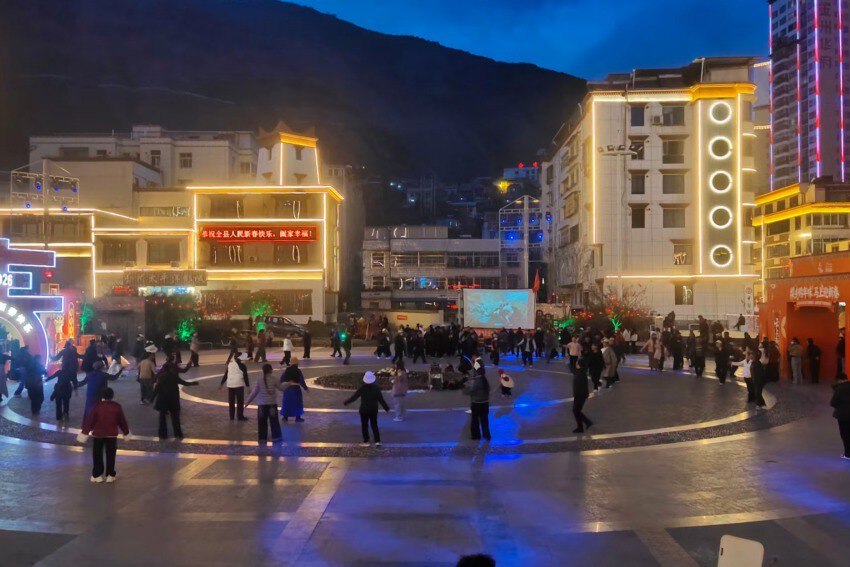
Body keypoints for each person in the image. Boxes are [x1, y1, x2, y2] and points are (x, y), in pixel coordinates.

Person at [80, 387, 129, 483]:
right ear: (112, 396)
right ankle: (110, 475)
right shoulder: (117, 407)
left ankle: (97, 475)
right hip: (112, 435)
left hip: (98, 434)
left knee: (97, 454)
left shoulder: (96, 406)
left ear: (102, 396)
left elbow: (90, 421)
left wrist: (84, 432)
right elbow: (122, 421)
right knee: (111, 455)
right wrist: (126, 433)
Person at [151, 356, 199, 439]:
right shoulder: (174, 376)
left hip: (163, 399)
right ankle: (178, 434)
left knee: (162, 418)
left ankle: (162, 435)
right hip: (173, 399)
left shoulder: (161, 376)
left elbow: (157, 388)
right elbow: (184, 382)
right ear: (170, 368)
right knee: (175, 418)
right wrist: (193, 383)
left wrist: (152, 398)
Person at [343, 371, 390, 447]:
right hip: (373, 410)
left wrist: (346, 402)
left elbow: (354, 397)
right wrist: (386, 408)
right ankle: (377, 441)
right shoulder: (376, 388)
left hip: (364, 410)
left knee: (364, 426)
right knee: (374, 425)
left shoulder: (362, 388)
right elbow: (381, 400)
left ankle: (366, 441)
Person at [244, 363, 286, 443]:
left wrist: (247, 402)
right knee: (274, 422)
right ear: (271, 370)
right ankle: (276, 437)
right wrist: (288, 384)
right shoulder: (274, 379)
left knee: (262, 422)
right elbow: (282, 388)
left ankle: (262, 438)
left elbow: (254, 392)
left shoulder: (260, 380)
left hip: (262, 405)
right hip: (272, 404)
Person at [48, 339, 82, 420]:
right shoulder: (73, 351)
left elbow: (55, 358)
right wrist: (76, 389)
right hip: (71, 371)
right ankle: (66, 413)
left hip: (63, 378)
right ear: (70, 344)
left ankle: (59, 416)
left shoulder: (64, 351)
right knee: (66, 400)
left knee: (59, 399)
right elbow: (79, 356)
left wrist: (50, 356)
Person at [464, 356, 491, 442]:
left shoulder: (478, 380)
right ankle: (486, 434)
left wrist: (466, 388)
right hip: (485, 403)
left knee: (475, 420)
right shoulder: (485, 380)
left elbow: (471, 390)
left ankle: (476, 436)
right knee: (484, 420)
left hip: (477, 403)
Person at [219, 352, 250, 421]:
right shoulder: (242, 366)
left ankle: (231, 416)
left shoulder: (230, 364)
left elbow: (226, 375)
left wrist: (221, 384)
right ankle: (240, 416)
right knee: (240, 401)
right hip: (239, 385)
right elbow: (245, 377)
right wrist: (248, 386)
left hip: (230, 385)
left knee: (231, 402)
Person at [280, 357, 309, 422]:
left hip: (287, 389)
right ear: (297, 364)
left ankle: (285, 417)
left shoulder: (286, 370)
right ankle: (298, 418)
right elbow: (301, 381)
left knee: (287, 403)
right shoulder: (298, 371)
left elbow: (281, 379)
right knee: (297, 404)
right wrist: (306, 388)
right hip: (296, 390)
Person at [830, 373, 850, 460]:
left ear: (839, 380)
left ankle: (848, 454)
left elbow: (833, 402)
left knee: (845, 434)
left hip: (843, 415)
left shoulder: (839, 389)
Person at [572, 356, 593, 433]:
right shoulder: (580, 372)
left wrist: (579, 395)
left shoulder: (580, 374)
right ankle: (584, 424)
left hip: (580, 395)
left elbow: (581, 386)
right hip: (579, 395)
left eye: (577, 363)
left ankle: (583, 425)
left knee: (576, 410)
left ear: (579, 365)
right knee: (576, 410)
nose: (576, 364)